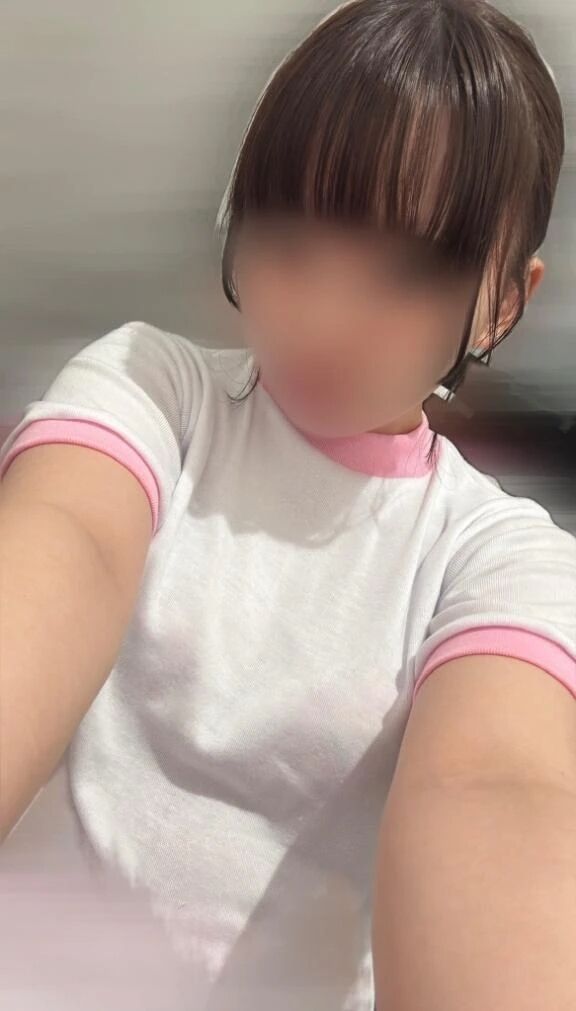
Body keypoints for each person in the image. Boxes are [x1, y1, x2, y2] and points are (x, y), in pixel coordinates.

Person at [1, 1, 576, 1008]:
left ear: (502, 302)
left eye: (406, 271)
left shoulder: (500, 559)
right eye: (288, 240)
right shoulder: (152, 390)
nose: (323, 315)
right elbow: (65, 546)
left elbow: (497, 787)